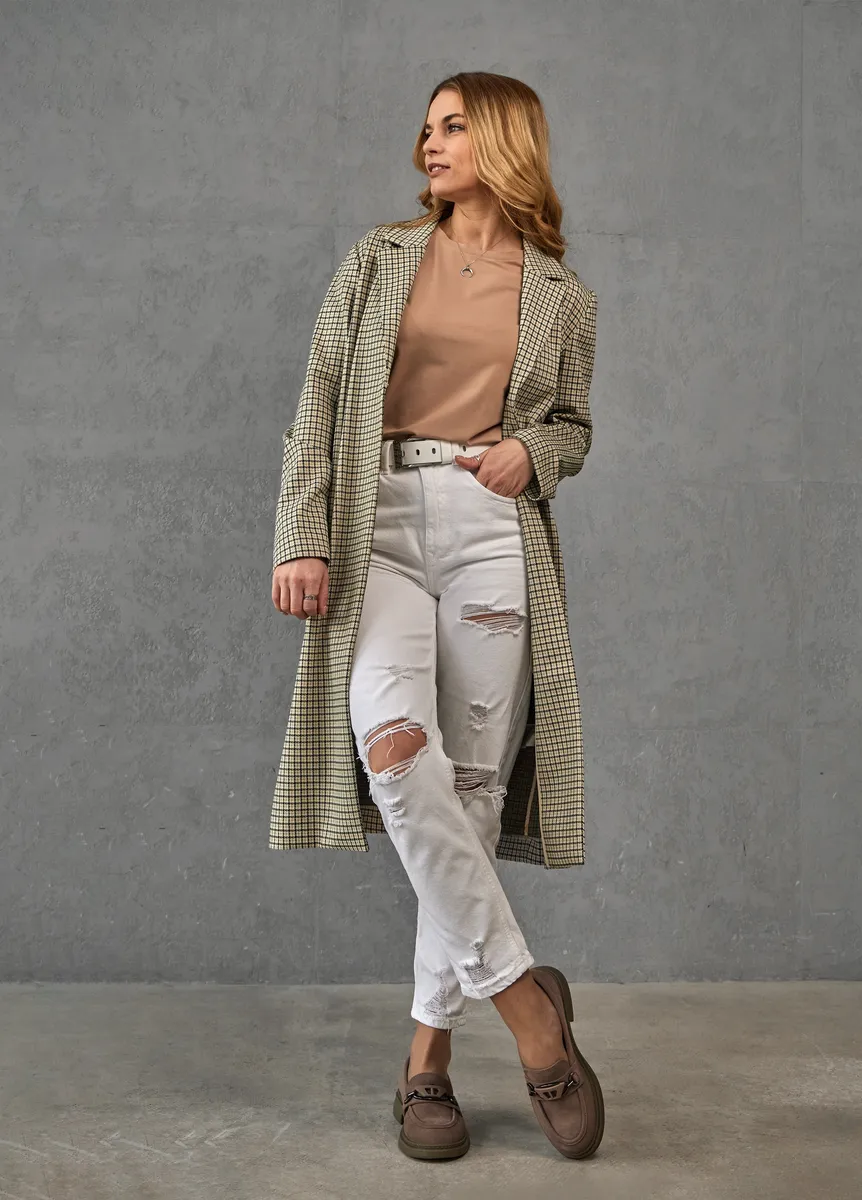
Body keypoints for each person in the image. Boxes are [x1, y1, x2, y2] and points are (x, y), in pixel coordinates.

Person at [270, 72, 604, 1161]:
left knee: (466, 793)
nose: (430, 143)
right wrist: (302, 534)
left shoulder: (560, 295)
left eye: (453, 125)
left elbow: (572, 427)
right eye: (426, 127)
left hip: (490, 529)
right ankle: (531, 1012)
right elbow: (321, 394)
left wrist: (532, 453)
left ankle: (427, 1062)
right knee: (397, 754)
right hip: (375, 520)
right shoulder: (378, 257)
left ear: (505, 137)